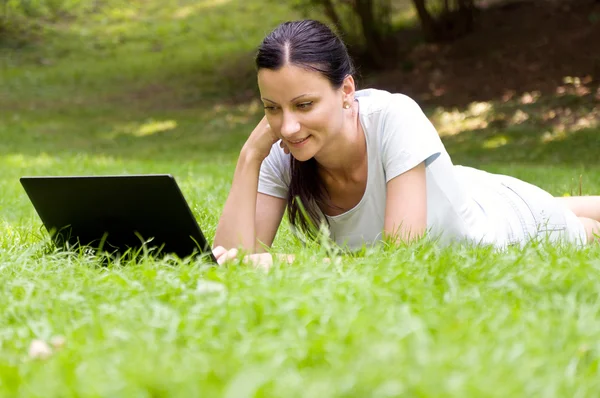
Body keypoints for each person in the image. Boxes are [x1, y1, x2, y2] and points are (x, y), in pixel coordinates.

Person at [211, 19, 600, 267]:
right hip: (454, 191)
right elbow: (231, 260)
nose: (289, 126)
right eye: (272, 108)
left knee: (582, 229)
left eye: (304, 104)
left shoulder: (393, 117)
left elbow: (402, 259)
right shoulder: (285, 149)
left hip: (499, 224)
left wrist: (287, 263)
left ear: (346, 90)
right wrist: (250, 157)